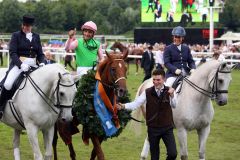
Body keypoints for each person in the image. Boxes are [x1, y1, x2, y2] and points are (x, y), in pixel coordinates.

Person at [117, 69, 177, 160]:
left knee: (173, 154)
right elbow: (136, 104)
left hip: (167, 128)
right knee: (154, 157)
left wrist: (172, 96)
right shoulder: (147, 92)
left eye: (158, 80)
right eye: (154, 80)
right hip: (153, 129)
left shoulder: (169, 91)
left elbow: (174, 105)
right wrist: (123, 106)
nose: (155, 82)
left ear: (164, 79)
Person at [0, 15, 45, 119]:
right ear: (22, 25)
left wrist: (42, 62)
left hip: (34, 65)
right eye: (24, 25)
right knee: (7, 84)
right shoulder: (16, 35)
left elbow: (40, 53)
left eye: (28, 26)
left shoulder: (36, 36)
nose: (26, 28)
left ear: (31, 26)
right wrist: (21, 64)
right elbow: (13, 53)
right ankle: (1, 108)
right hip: (19, 65)